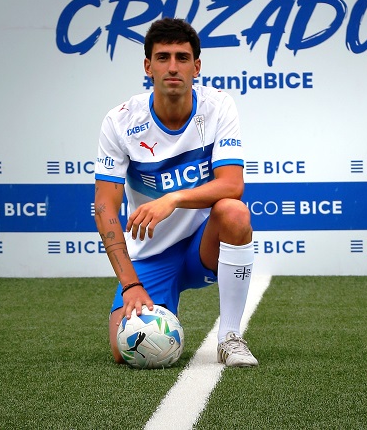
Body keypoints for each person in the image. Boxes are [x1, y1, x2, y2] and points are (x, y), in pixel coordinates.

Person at [94, 18, 257, 367]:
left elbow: (232, 184)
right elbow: (105, 207)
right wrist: (130, 284)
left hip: (203, 245)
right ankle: (160, 298)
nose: (172, 67)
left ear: (196, 67)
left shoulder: (217, 106)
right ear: (148, 66)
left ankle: (230, 337)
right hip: (151, 252)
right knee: (124, 352)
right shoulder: (120, 122)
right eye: (163, 57)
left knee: (234, 212)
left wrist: (173, 198)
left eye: (182, 58)